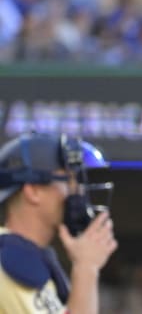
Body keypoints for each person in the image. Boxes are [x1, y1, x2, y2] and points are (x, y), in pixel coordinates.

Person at [0, 132, 117, 314]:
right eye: (68, 180)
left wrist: (86, 267)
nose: (77, 191)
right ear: (33, 191)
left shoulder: (30, 257)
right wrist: (86, 269)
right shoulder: (10, 259)